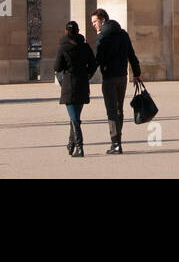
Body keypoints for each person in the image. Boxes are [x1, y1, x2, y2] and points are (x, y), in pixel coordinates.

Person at [90, 9, 140, 154]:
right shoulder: (123, 34)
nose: (94, 25)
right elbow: (131, 55)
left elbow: (97, 59)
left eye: (95, 22)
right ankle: (118, 141)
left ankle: (115, 143)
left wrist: (86, 75)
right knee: (119, 109)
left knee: (111, 111)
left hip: (109, 78)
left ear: (103, 20)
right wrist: (137, 74)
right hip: (122, 77)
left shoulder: (102, 37)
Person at [54, 20, 97, 157]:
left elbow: (57, 67)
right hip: (82, 82)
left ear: (66, 31)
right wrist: (87, 75)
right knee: (75, 117)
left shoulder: (63, 47)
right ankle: (71, 143)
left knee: (74, 118)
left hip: (69, 83)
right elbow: (94, 64)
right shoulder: (85, 46)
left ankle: (79, 146)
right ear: (78, 32)